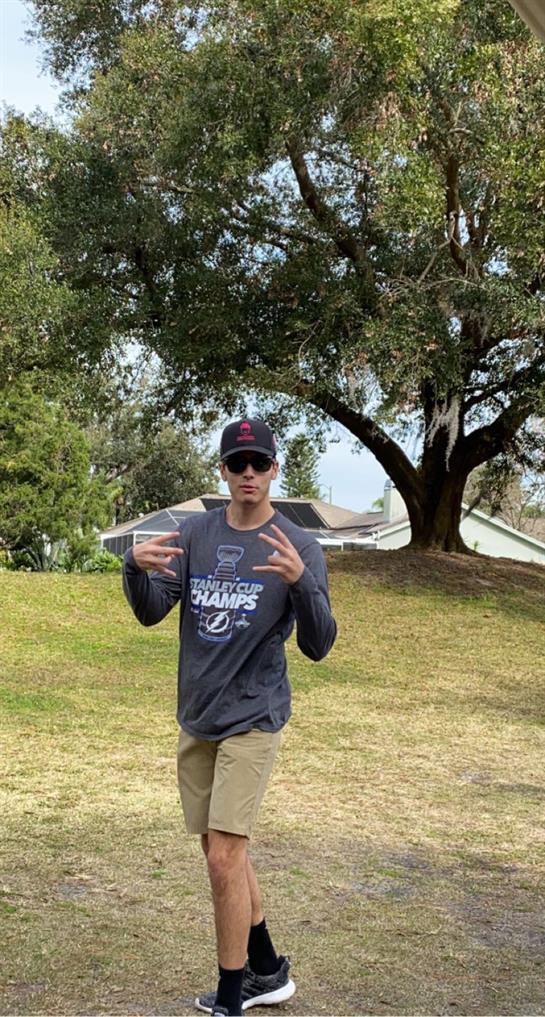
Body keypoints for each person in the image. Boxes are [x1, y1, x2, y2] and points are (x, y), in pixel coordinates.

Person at [122, 418, 337, 1017]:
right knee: (223, 852)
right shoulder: (197, 534)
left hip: (253, 716)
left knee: (223, 856)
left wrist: (301, 585)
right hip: (199, 716)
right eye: (237, 463)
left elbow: (319, 645)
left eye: (259, 463)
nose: (248, 473)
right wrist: (133, 570)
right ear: (222, 469)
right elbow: (152, 611)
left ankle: (229, 1000)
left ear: (274, 470)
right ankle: (266, 971)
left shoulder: (299, 546)